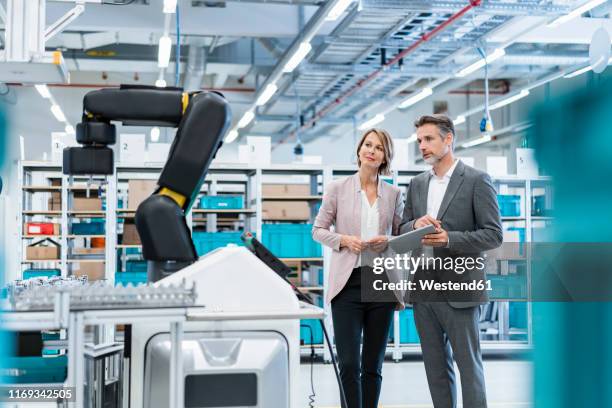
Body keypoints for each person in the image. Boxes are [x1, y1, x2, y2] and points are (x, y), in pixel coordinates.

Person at [399, 114, 503, 408]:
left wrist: (450, 239)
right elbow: (403, 227)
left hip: (461, 291)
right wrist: (415, 225)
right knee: (435, 370)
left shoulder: (476, 180)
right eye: (419, 140)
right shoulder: (417, 183)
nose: (422, 146)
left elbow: (493, 235)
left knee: (469, 368)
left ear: (448, 139)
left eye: (429, 139)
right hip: (423, 291)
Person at [312, 128, 404, 408]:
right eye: (368, 144)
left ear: (385, 156)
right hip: (347, 284)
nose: (371, 150)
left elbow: (402, 239)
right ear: (359, 150)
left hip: (381, 283)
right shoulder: (337, 189)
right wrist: (343, 240)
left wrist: (387, 240)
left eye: (378, 147)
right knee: (349, 363)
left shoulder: (394, 193)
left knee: (372, 365)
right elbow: (317, 230)